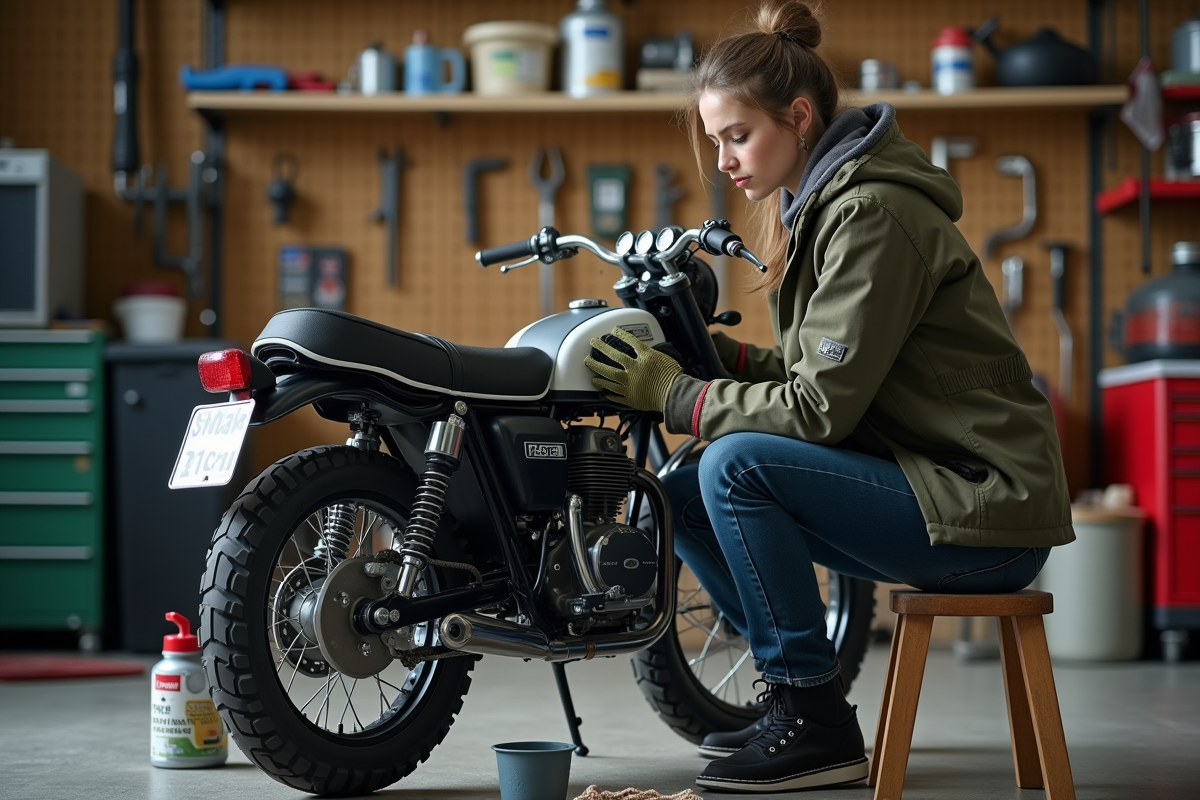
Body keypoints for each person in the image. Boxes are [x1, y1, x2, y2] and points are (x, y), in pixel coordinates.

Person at [583, 0, 1075, 793]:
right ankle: (794, 687)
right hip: (929, 482)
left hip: (991, 510)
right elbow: (824, 369)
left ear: (800, 116)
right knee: (680, 488)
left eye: (737, 136)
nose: (725, 162)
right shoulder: (823, 206)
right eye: (715, 142)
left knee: (734, 465)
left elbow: (818, 410)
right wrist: (724, 358)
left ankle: (812, 717)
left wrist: (676, 393)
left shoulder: (872, 213)